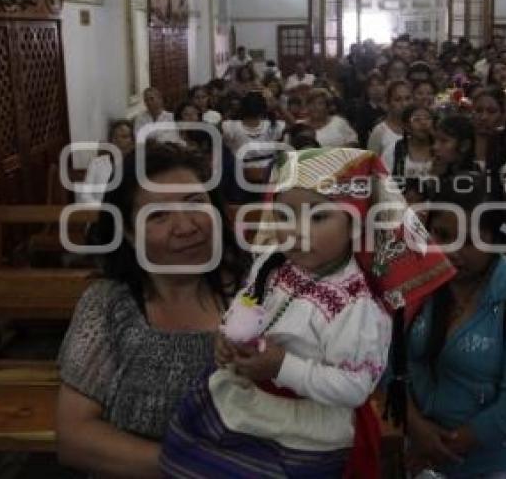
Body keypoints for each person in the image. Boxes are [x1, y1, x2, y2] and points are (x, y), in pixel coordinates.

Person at [160, 148, 455, 478]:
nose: (298, 230)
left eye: (318, 216)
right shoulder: (274, 260)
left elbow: (355, 387)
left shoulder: (357, 305)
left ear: (354, 222)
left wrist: (281, 366)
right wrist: (229, 335)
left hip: (304, 431)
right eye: (285, 216)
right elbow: (249, 297)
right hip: (248, 399)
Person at [57, 143, 249, 478]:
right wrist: (201, 468)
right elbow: (75, 437)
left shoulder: (262, 289)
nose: (187, 226)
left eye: (195, 203)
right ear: (130, 234)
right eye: (158, 215)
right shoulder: (107, 305)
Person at [407, 173, 506, 478]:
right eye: (442, 233)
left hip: (488, 466)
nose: (452, 250)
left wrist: (444, 446)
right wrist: (415, 426)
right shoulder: (419, 284)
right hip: (418, 454)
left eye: (470, 239)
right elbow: (390, 363)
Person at [221, 91, 288, 186]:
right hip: (270, 176)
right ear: (263, 109)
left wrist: (232, 112)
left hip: (240, 178)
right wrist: (277, 107)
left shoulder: (230, 126)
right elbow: (296, 126)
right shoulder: (273, 125)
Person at [383, 105, 435, 203]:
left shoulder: (439, 150)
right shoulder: (394, 150)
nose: (423, 123)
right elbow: (383, 183)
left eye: (428, 118)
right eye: (416, 119)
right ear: (406, 126)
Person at [77, 120, 135, 205]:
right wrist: (103, 209)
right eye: (115, 137)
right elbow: (85, 196)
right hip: (98, 212)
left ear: (132, 141)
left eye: (124, 137)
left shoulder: (137, 165)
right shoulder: (96, 163)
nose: (119, 140)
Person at [367, 80, 409, 157]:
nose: (404, 104)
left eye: (407, 99)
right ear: (388, 102)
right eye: (398, 100)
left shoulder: (417, 129)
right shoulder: (379, 131)